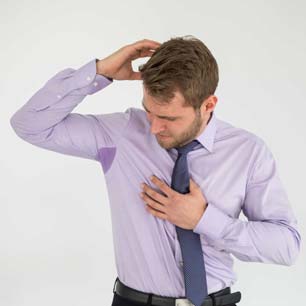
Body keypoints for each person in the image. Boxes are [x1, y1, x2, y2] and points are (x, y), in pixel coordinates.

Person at [10, 36, 301, 306]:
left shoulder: (247, 152)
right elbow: (29, 124)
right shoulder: (121, 134)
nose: (153, 127)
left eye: (168, 117)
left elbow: (286, 246)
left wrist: (203, 219)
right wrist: (99, 72)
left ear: (208, 104)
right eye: (148, 110)